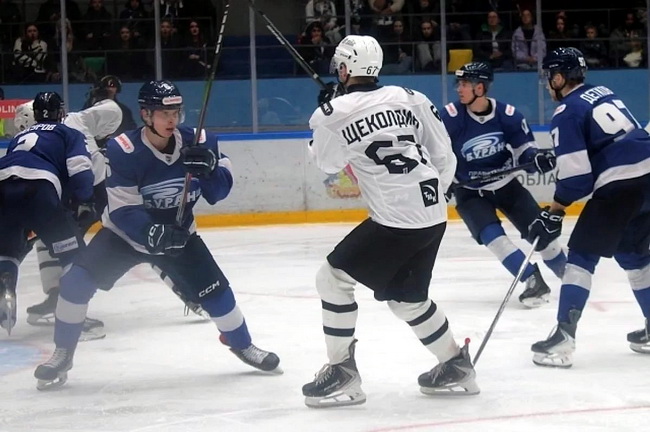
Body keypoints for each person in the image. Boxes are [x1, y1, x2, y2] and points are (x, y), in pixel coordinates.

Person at [34, 80, 281, 390]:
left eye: (176, 112)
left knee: (217, 294)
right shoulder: (124, 149)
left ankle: (243, 345)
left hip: (180, 235)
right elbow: (123, 210)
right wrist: (153, 232)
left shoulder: (200, 141)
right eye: (164, 114)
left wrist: (210, 170)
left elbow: (218, 193)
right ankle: (62, 354)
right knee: (74, 284)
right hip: (123, 237)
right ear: (146, 115)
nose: (172, 120)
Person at [302, 35, 479, 408]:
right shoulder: (411, 97)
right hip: (433, 214)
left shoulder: (334, 112)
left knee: (332, 280)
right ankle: (455, 365)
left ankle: (342, 372)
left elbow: (328, 163)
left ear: (344, 69)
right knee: (407, 299)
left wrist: (327, 117)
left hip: (395, 219)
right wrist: (435, 194)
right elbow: (443, 155)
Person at [529, 47, 650, 367]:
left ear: (559, 78)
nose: (547, 84)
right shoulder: (603, 92)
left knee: (581, 256)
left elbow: (576, 179)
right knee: (633, 255)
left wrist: (554, 211)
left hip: (620, 184)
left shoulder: (566, 111)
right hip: (647, 179)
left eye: (549, 77)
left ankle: (563, 337)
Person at [441, 62, 566, 308]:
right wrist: (441, 180)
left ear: (480, 88)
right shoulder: (449, 117)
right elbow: (437, 154)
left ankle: (571, 276)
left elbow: (525, 151)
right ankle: (532, 279)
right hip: (469, 192)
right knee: (494, 239)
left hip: (507, 186)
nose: (459, 89)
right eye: (459, 84)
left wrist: (535, 160)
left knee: (543, 238)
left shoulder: (508, 115)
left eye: (464, 84)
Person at [15, 98, 122, 340]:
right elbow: (113, 110)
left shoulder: (52, 133)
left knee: (69, 247)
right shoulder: (74, 120)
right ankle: (60, 298)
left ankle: (71, 309)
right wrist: (100, 135)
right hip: (89, 192)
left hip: (92, 193)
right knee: (55, 241)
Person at [0, 92, 95, 336]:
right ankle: (73, 317)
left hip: (3, 186)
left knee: (8, 251)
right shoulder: (68, 133)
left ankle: (5, 289)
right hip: (39, 189)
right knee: (74, 256)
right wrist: (84, 199)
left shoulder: (19, 137)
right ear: (60, 113)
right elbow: (80, 169)